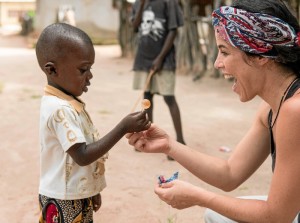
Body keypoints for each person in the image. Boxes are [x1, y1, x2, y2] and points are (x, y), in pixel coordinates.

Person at [127, 0, 300, 222]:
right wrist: (168, 145)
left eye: (224, 52)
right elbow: (230, 174)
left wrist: (199, 196)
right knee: (216, 216)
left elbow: (276, 216)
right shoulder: (272, 107)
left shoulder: (294, 110)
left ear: (260, 56)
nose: (217, 64)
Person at [36, 23, 151, 223]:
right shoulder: (60, 110)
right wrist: (123, 127)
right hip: (63, 199)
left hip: (74, 195)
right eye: (83, 70)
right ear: (53, 70)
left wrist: (91, 188)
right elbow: (81, 155)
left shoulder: (68, 102)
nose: (90, 76)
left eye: (90, 69)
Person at [130, 0, 185, 160]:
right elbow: (134, 27)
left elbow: (173, 31)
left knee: (169, 97)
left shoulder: (169, 2)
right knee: (147, 98)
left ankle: (180, 140)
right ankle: (148, 138)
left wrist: (160, 58)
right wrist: (141, 5)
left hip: (164, 59)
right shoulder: (138, 3)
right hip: (143, 58)